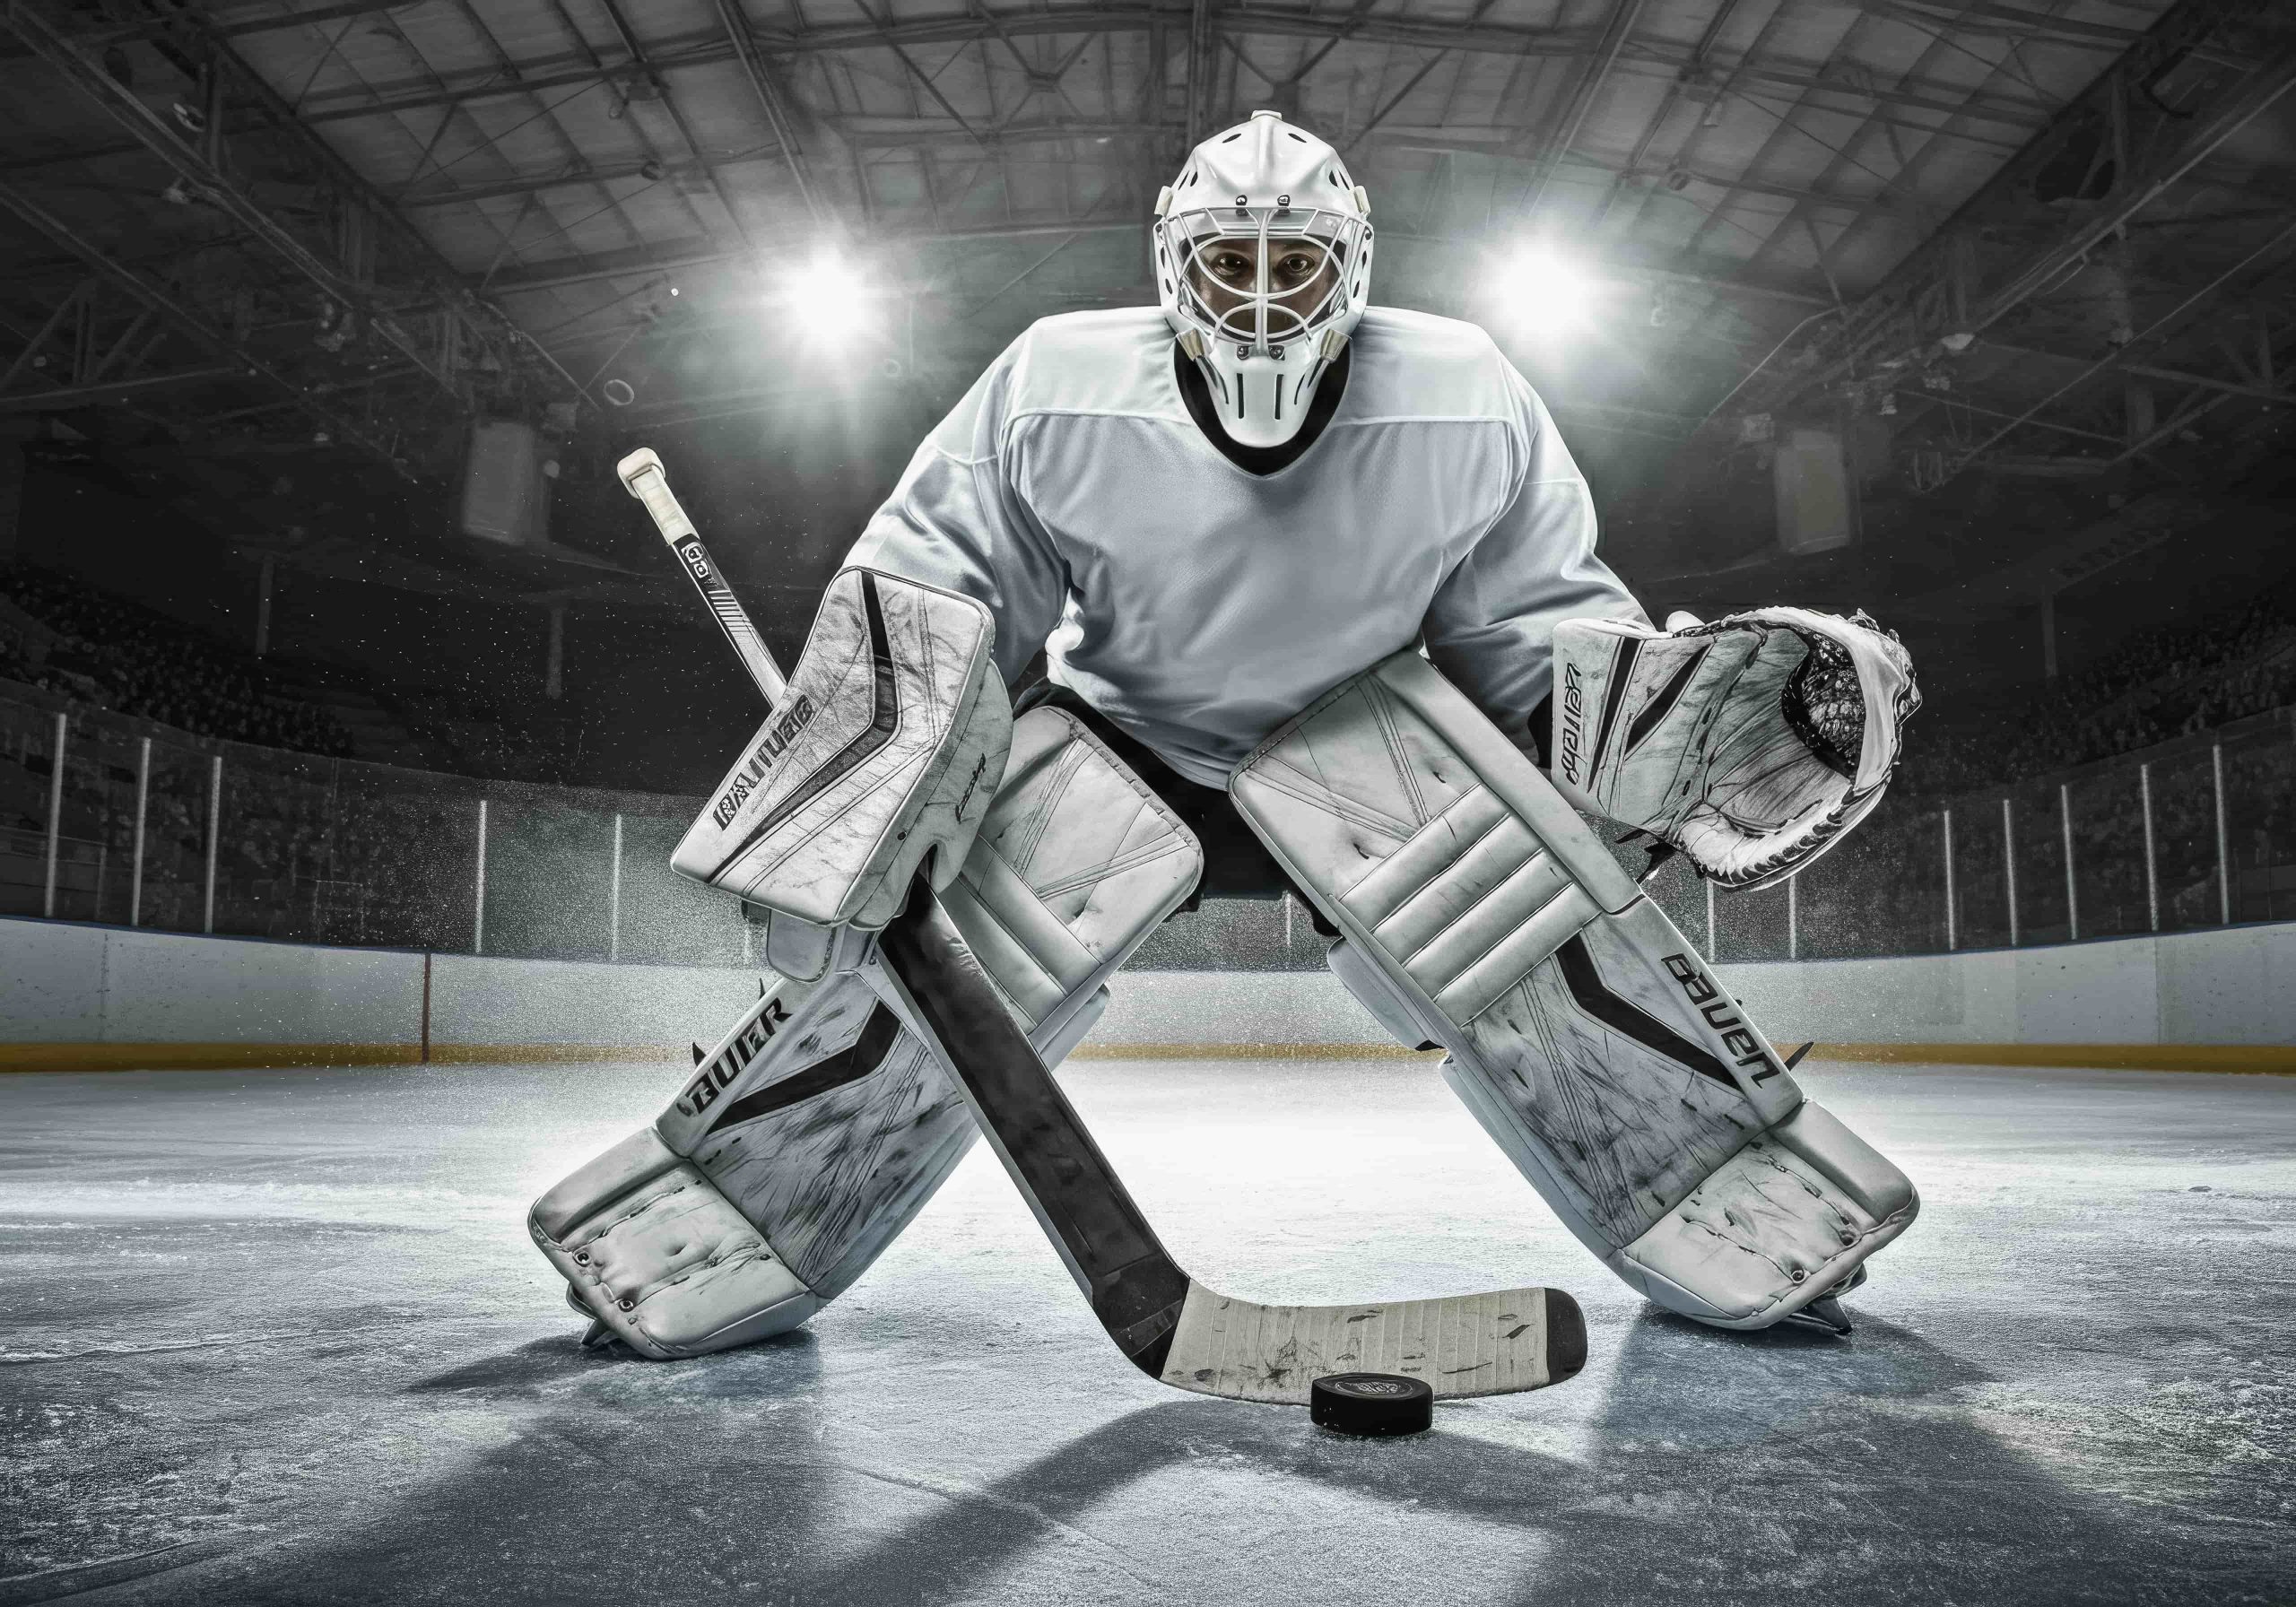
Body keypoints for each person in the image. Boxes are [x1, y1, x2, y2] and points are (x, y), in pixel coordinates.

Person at [534, 113, 1923, 1362]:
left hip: (1368, 740)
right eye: (1229, 262)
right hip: (1127, 734)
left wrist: (1656, 730)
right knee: (948, 964)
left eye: (1294, 264)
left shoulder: (1464, 393)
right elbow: (941, 584)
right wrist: (875, 778)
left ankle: (1736, 1197)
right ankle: (718, 1216)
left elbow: (1532, 627)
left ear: (1352, 266)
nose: (1261, 297)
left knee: (1534, 933)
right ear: (1172, 265)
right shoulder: (1056, 383)